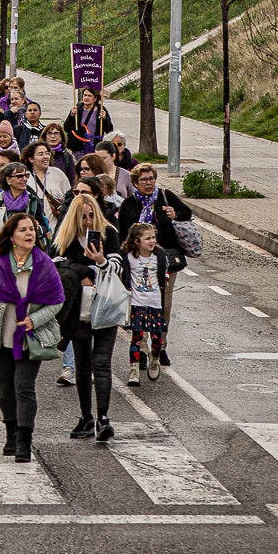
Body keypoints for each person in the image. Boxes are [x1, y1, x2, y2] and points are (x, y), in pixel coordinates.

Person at [0, 211, 64, 464]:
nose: (29, 233)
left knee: (24, 387)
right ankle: (10, 434)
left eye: (32, 229)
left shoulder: (44, 263)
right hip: (1, 336)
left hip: (31, 338)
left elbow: (57, 301)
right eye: (23, 230)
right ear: (11, 236)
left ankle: (24, 440)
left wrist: (35, 319)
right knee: (5, 391)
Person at [54, 192, 122, 443]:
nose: (88, 221)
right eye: (83, 217)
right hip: (78, 309)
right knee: (83, 364)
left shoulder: (108, 234)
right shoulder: (66, 237)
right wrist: (83, 269)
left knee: (102, 362)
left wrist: (100, 261)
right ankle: (86, 416)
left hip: (105, 304)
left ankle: (103, 418)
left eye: (92, 215)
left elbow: (117, 267)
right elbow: (56, 265)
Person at [117, 163, 194, 365]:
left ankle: (160, 346)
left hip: (164, 259)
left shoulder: (165, 196)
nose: (148, 183)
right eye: (143, 180)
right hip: (137, 262)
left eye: (151, 179)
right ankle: (141, 348)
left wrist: (174, 214)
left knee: (163, 305)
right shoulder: (129, 205)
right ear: (135, 183)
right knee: (140, 305)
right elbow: (122, 233)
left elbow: (187, 213)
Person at [121, 219, 182, 385]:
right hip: (137, 303)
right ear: (136, 241)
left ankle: (154, 357)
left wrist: (166, 277)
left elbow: (166, 270)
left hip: (154, 303)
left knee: (157, 338)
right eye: (147, 238)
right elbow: (123, 275)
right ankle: (134, 370)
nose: (152, 241)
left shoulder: (159, 256)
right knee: (137, 338)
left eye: (153, 237)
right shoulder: (128, 258)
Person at [63, 88, 109, 158]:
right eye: (85, 95)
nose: (86, 98)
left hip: (96, 146)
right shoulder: (78, 109)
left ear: (95, 98)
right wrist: (71, 115)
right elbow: (66, 128)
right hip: (80, 146)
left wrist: (105, 119)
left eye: (89, 96)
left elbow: (109, 130)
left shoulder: (101, 110)